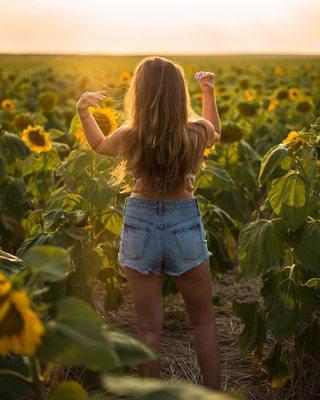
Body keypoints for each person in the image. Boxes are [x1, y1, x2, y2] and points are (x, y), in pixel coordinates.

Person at [76, 56, 221, 390]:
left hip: (140, 220)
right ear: (179, 93)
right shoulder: (197, 131)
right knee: (203, 322)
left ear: (137, 94)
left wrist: (84, 112)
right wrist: (209, 93)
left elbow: (99, 146)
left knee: (148, 330)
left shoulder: (131, 133)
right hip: (183, 221)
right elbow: (215, 132)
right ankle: (214, 396)